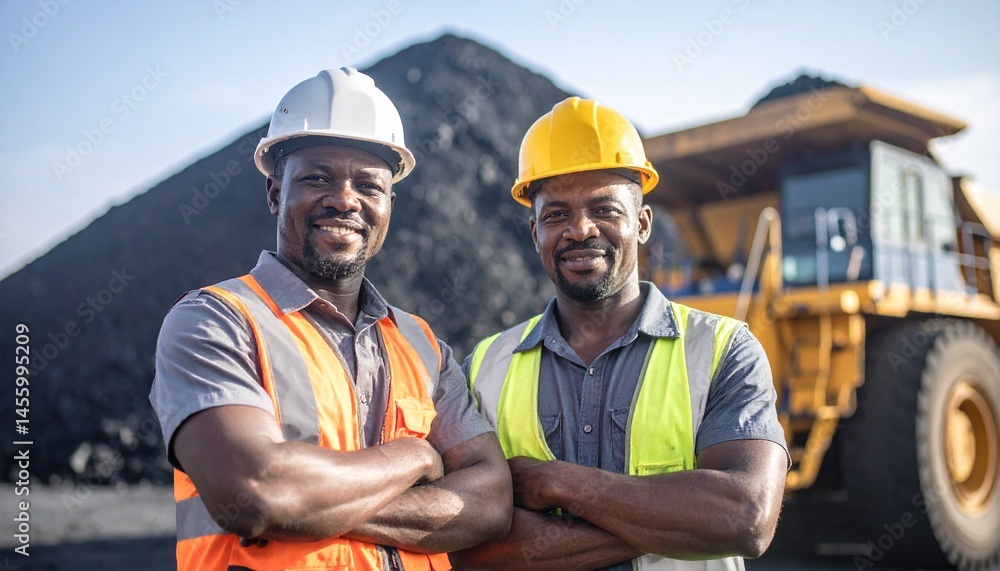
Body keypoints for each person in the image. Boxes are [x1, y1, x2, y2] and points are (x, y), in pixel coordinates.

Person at [150, 68, 512, 571]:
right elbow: (257, 491)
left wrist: (314, 503)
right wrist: (414, 458)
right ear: (275, 193)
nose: (345, 199)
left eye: (369, 184)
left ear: (388, 205)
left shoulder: (422, 346)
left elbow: (491, 504)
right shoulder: (216, 322)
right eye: (317, 178)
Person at [451, 97, 789, 570]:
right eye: (556, 215)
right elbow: (467, 545)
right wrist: (679, 520)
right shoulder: (485, 366)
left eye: (604, 209)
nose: (579, 230)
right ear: (534, 233)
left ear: (643, 224)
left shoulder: (723, 350)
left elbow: (745, 517)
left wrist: (554, 484)